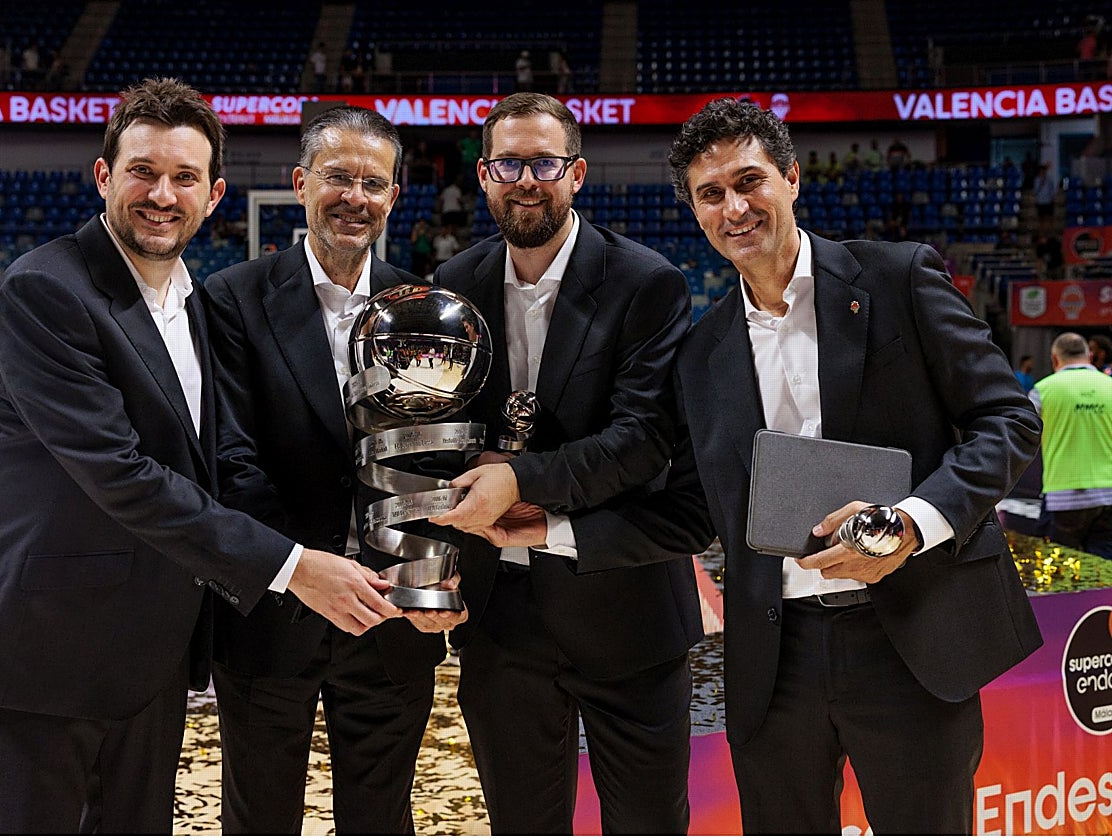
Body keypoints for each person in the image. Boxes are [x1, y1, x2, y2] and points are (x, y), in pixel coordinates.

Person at [472, 97, 1044, 835]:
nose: (734, 208)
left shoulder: (897, 277)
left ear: (792, 178)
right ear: (694, 212)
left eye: (749, 182)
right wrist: (548, 533)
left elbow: (1008, 420)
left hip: (908, 634)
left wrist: (911, 523)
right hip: (777, 656)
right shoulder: (702, 353)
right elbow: (688, 514)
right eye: (711, 195)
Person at [0, 77, 407, 835]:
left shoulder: (194, 302)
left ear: (213, 196)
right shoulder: (45, 290)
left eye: (184, 177)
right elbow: (121, 474)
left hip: (149, 659)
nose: (161, 195)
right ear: (103, 176)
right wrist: (292, 565)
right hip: (41, 654)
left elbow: (214, 459)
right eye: (143, 171)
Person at [429, 92, 701, 834]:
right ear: (484, 175)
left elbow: (643, 441)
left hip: (627, 610)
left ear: (576, 173)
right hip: (501, 617)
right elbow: (439, 434)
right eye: (508, 164)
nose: (526, 180)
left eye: (544, 163)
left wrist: (518, 479)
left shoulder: (647, 283)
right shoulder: (454, 284)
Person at [202, 105, 464, 835]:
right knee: (258, 820)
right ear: (300, 183)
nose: (355, 197)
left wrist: (438, 572)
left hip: (392, 613)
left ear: (394, 196)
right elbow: (231, 460)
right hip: (273, 608)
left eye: (373, 183)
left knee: (383, 820)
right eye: (337, 177)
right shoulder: (232, 298)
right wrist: (301, 568)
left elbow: (439, 457)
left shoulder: (427, 309)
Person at [1029, 332, 1112, 559]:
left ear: (1055, 359)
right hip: (1109, 495)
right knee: (1104, 569)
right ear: (1089, 356)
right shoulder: (1110, 386)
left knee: (1061, 567)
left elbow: (1022, 435)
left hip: (1062, 497)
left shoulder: (1042, 391)